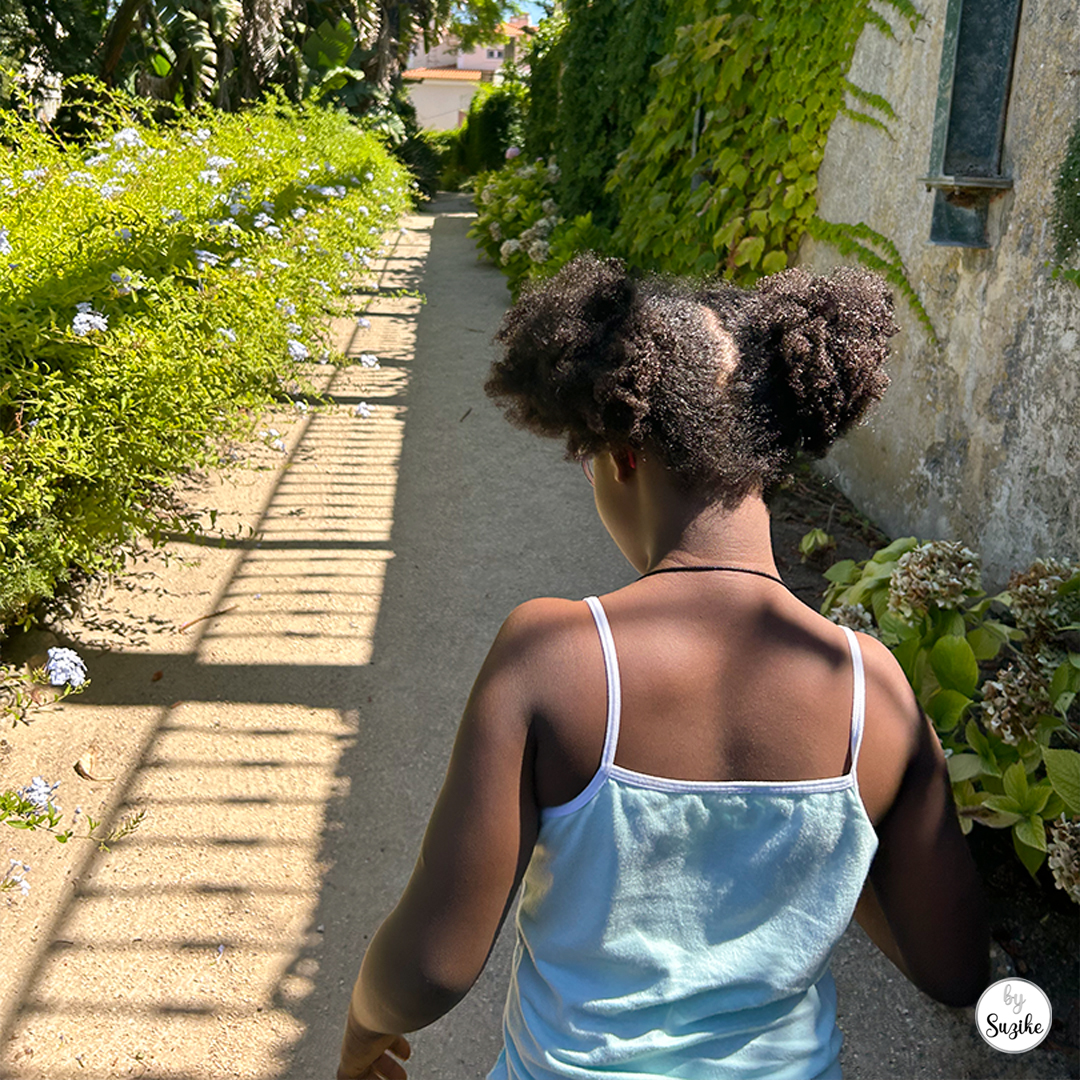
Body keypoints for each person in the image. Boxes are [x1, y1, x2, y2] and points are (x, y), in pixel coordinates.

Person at [336, 256, 990, 1080]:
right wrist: (825, 845)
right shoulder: (873, 688)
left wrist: (363, 1030)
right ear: (766, 451)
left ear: (623, 454)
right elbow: (956, 966)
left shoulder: (555, 658)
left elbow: (431, 966)